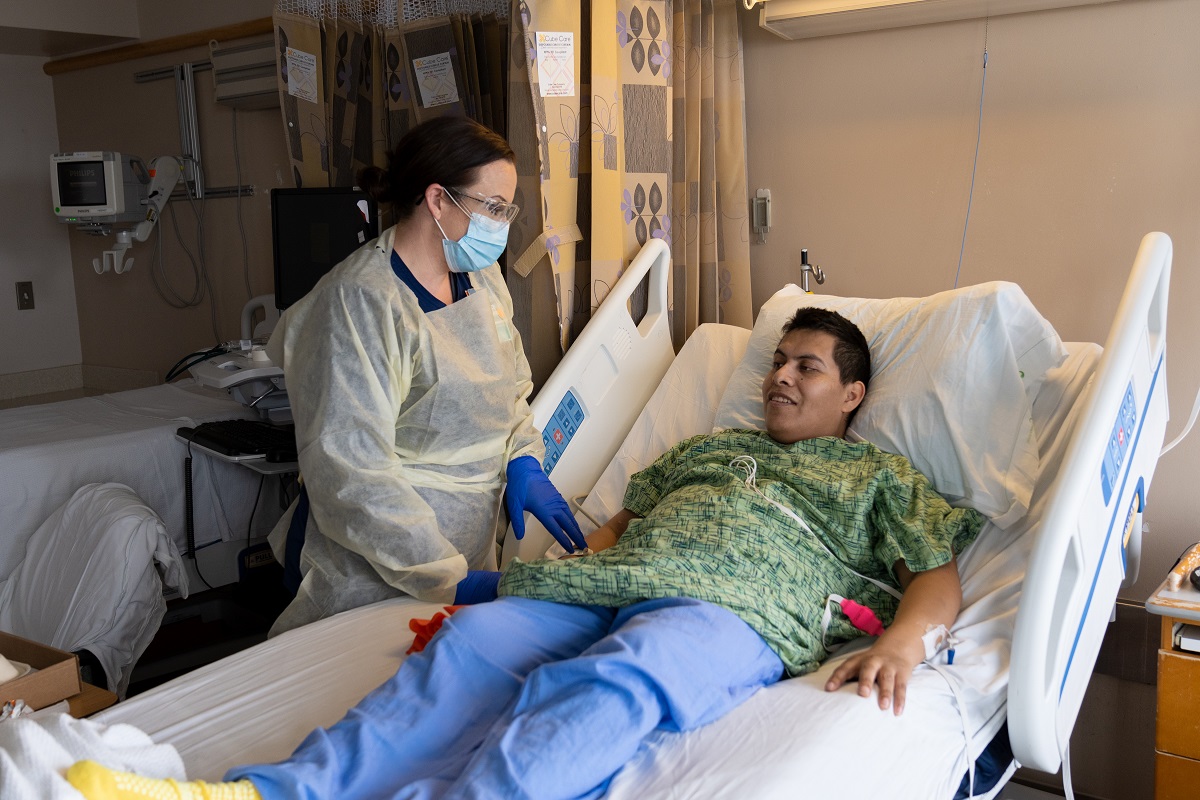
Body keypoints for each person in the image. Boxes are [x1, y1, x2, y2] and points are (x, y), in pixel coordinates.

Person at [68, 308, 984, 800]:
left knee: (606, 684)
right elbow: (619, 528)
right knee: (464, 652)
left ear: (853, 393)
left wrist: (902, 643)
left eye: (807, 367)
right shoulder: (706, 451)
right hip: (616, 580)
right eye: (777, 361)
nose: (780, 376)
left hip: (737, 607)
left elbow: (933, 574)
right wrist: (553, 573)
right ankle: (262, 799)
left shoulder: (877, 478)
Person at [265, 116, 586, 636]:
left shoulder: (479, 279)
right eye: (494, 208)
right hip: (374, 573)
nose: (503, 225)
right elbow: (351, 469)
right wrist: (445, 579)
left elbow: (511, 391)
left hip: (467, 554)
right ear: (438, 200)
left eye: (509, 210)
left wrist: (524, 459)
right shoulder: (362, 302)